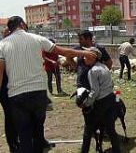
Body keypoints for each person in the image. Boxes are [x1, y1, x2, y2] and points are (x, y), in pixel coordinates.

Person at [0, 16, 96, 153]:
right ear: (21, 24)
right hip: (38, 93)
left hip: (16, 96)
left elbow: (0, 74)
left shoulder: (2, 45)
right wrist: (84, 52)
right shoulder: (37, 38)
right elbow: (63, 51)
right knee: (38, 131)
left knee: (24, 134)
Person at [80, 47, 120, 153]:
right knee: (110, 128)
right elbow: (112, 84)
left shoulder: (92, 71)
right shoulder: (104, 67)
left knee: (88, 130)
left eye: (86, 56)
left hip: (100, 102)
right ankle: (116, 150)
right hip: (110, 99)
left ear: (93, 57)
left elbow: (95, 92)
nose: (84, 58)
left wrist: (86, 103)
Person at [0, 27, 18, 153]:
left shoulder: (12, 48)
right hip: (4, 88)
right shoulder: (2, 48)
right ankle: (13, 145)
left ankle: (15, 143)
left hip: (13, 86)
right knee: (10, 116)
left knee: (13, 116)